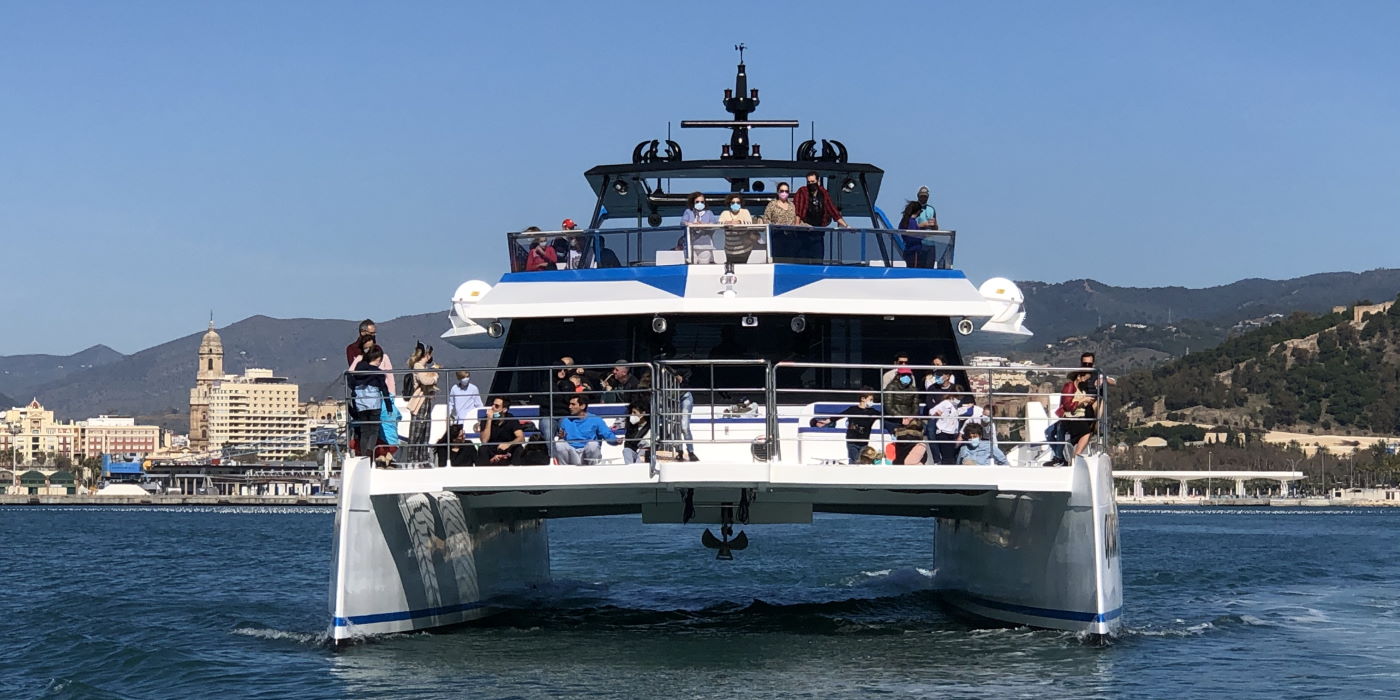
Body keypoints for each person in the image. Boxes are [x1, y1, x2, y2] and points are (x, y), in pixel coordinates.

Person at [791, 171, 848, 262]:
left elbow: (832, 209)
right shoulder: (802, 191)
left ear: (818, 182)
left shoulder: (823, 193)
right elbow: (798, 209)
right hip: (803, 233)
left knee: (817, 259)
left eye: (812, 182)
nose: (810, 184)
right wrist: (797, 225)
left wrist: (846, 225)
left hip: (818, 233)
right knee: (802, 260)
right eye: (808, 182)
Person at [553, 395, 620, 465]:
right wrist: (561, 437)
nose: (570, 407)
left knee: (592, 444)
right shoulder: (565, 421)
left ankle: (593, 471)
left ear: (582, 406)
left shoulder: (595, 419)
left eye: (573, 404)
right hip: (572, 454)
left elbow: (606, 434)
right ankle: (565, 471)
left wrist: (616, 440)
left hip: (587, 454)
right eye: (569, 404)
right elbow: (562, 441)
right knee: (560, 444)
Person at [349, 346, 391, 458]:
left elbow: (351, 383)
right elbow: (384, 389)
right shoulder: (378, 373)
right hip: (374, 403)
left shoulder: (359, 370)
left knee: (364, 431)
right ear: (378, 359)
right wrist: (389, 405)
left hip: (361, 404)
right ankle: (369, 451)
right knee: (374, 430)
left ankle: (363, 455)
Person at [405, 343, 440, 463]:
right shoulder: (417, 366)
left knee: (425, 431)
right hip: (420, 402)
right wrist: (435, 376)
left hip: (426, 400)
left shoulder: (423, 368)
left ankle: (422, 458)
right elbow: (425, 380)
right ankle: (413, 459)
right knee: (417, 431)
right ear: (427, 355)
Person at [1058, 371, 1098, 460]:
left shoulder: (1082, 389)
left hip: (1079, 416)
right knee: (1086, 433)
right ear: (1079, 377)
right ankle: (1076, 457)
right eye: (1085, 378)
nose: (1086, 381)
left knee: (1090, 431)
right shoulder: (1069, 386)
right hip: (1070, 417)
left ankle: (1073, 452)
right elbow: (1068, 406)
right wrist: (1083, 400)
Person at [476, 397, 526, 466]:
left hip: (507, 450)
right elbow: (484, 440)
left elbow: (521, 438)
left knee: (519, 449)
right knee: (482, 449)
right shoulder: (485, 419)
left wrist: (508, 444)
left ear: (504, 409)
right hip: (492, 450)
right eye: (493, 405)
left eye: (496, 406)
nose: (493, 407)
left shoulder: (511, 419)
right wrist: (489, 420)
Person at [838, 389, 879, 464]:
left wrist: (900, 419)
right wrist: (827, 420)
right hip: (852, 441)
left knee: (863, 462)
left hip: (864, 442)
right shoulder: (853, 410)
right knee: (855, 461)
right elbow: (839, 416)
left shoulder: (872, 411)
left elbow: (886, 417)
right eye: (870, 399)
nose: (872, 402)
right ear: (863, 399)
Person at [718, 194, 759, 263]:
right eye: (733, 202)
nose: (735, 204)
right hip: (729, 250)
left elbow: (749, 223)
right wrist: (727, 223)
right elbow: (719, 224)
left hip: (744, 249)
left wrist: (739, 222)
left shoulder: (745, 212)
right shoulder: (725, 213)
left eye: (738, 202)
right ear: (729, 204)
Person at [928, 389, 964, 465]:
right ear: (952, 396)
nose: (959, 400)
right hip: (943, 432)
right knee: (948, 457)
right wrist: (937, 413)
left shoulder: (955, 406)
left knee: (951, 455)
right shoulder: (945, 403)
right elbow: (931, 411)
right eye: (958, 397)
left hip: (952, 433)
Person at [681, 192, 718, 263]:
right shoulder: (688, 212)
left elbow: (714, 224)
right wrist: (692, 224)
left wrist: (703, 225)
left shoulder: (709, 213)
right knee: (691, 264)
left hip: (705, 245)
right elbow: (683, 223)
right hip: (690, 245)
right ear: (693, 202)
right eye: (697, 202)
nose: (700, 203)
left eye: (702, 202)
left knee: (703, 266)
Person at [881, 367, 920, 434]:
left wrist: (911, 417)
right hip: (893, 420)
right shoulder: (891, 387)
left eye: (908, 375)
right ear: (898, 376)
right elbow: (888, 406)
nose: (906, 377)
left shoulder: (914, 389)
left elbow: (916, 406)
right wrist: (901, 417)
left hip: (908, 421)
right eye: (904, 375)